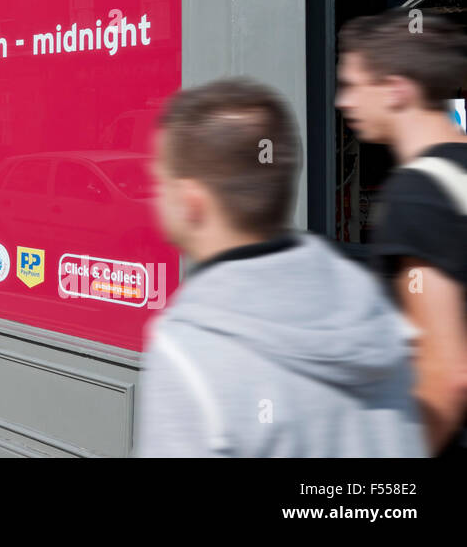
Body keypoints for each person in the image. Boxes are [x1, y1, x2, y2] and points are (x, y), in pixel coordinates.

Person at [136, 76, 424, 457]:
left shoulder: (190, 355)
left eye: (160, 181)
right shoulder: (370, 304)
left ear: (191, 202)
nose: (154, 194)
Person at [336, 10, 467, 457]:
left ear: (395, 89)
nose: (343, 102)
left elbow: (447, 376)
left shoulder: (418, 193)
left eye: (353, 85)